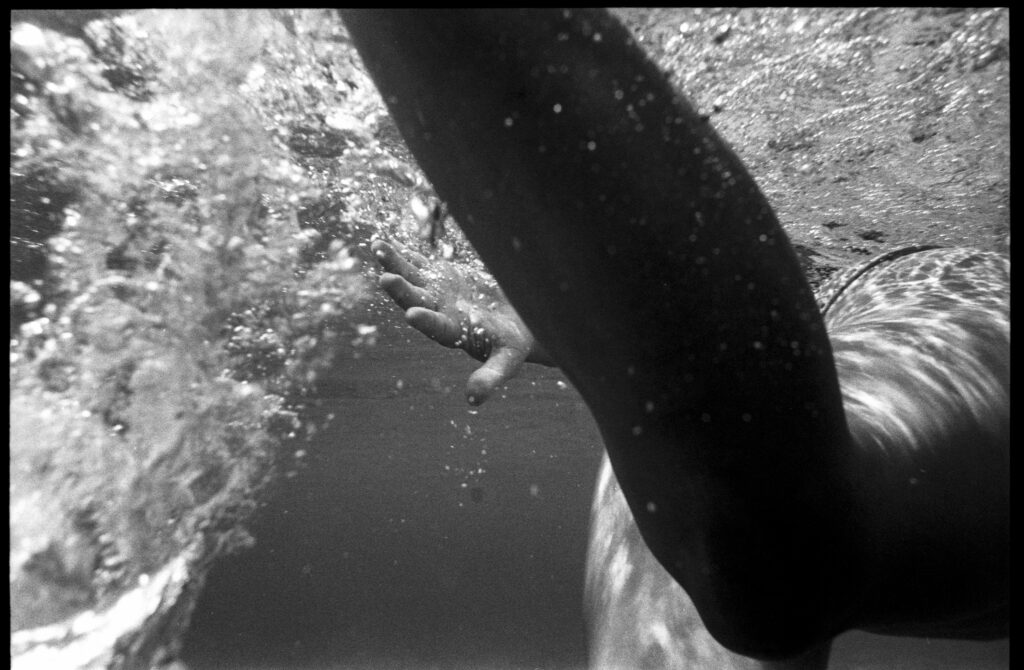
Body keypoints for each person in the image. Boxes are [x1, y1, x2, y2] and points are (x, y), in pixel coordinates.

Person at [344, 9, 1009, 664]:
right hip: (899, 296)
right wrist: (574, 316)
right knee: (759, 568)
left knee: (771, 565)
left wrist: (585, 321)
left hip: (922, 286)